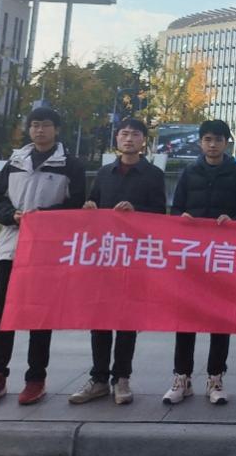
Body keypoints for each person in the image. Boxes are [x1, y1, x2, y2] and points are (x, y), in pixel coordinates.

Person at [0, 107, 86, 407]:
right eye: (35, 125)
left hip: (47, 250)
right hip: (11, 247)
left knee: (40, 315)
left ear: (56, 129)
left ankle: (36, 378)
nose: (40, 130)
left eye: (46, 125)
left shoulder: (70, 165)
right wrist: (11, 215)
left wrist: (44, 218)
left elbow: (76, 204)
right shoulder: (14, 162)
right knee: (4, 315)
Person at [68, 118, 166, 406]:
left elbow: (160, 214)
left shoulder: (153, 175)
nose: (129, 139)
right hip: (105, 255)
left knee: (126, 318)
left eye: (135, 134)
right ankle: (98, 378)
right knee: (100, 318)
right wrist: (89, 208)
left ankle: (122, 378)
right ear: (117, 139)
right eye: (124, 134)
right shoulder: (104, 173)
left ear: (143, 140)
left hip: (134, 256)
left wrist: (136, 211)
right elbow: (93, 204)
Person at [163, 119, 236, 406]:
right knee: (185, 318)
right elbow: (177, 208)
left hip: (222, 256)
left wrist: (232, 220)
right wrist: (182, 218)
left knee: (219, 319)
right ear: (201, 142)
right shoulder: (189, 172)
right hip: (191, 257)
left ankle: (215, 378)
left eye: (218, 140)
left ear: (227, 142)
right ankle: (182, 377)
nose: (213, 145)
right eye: (208, 139)